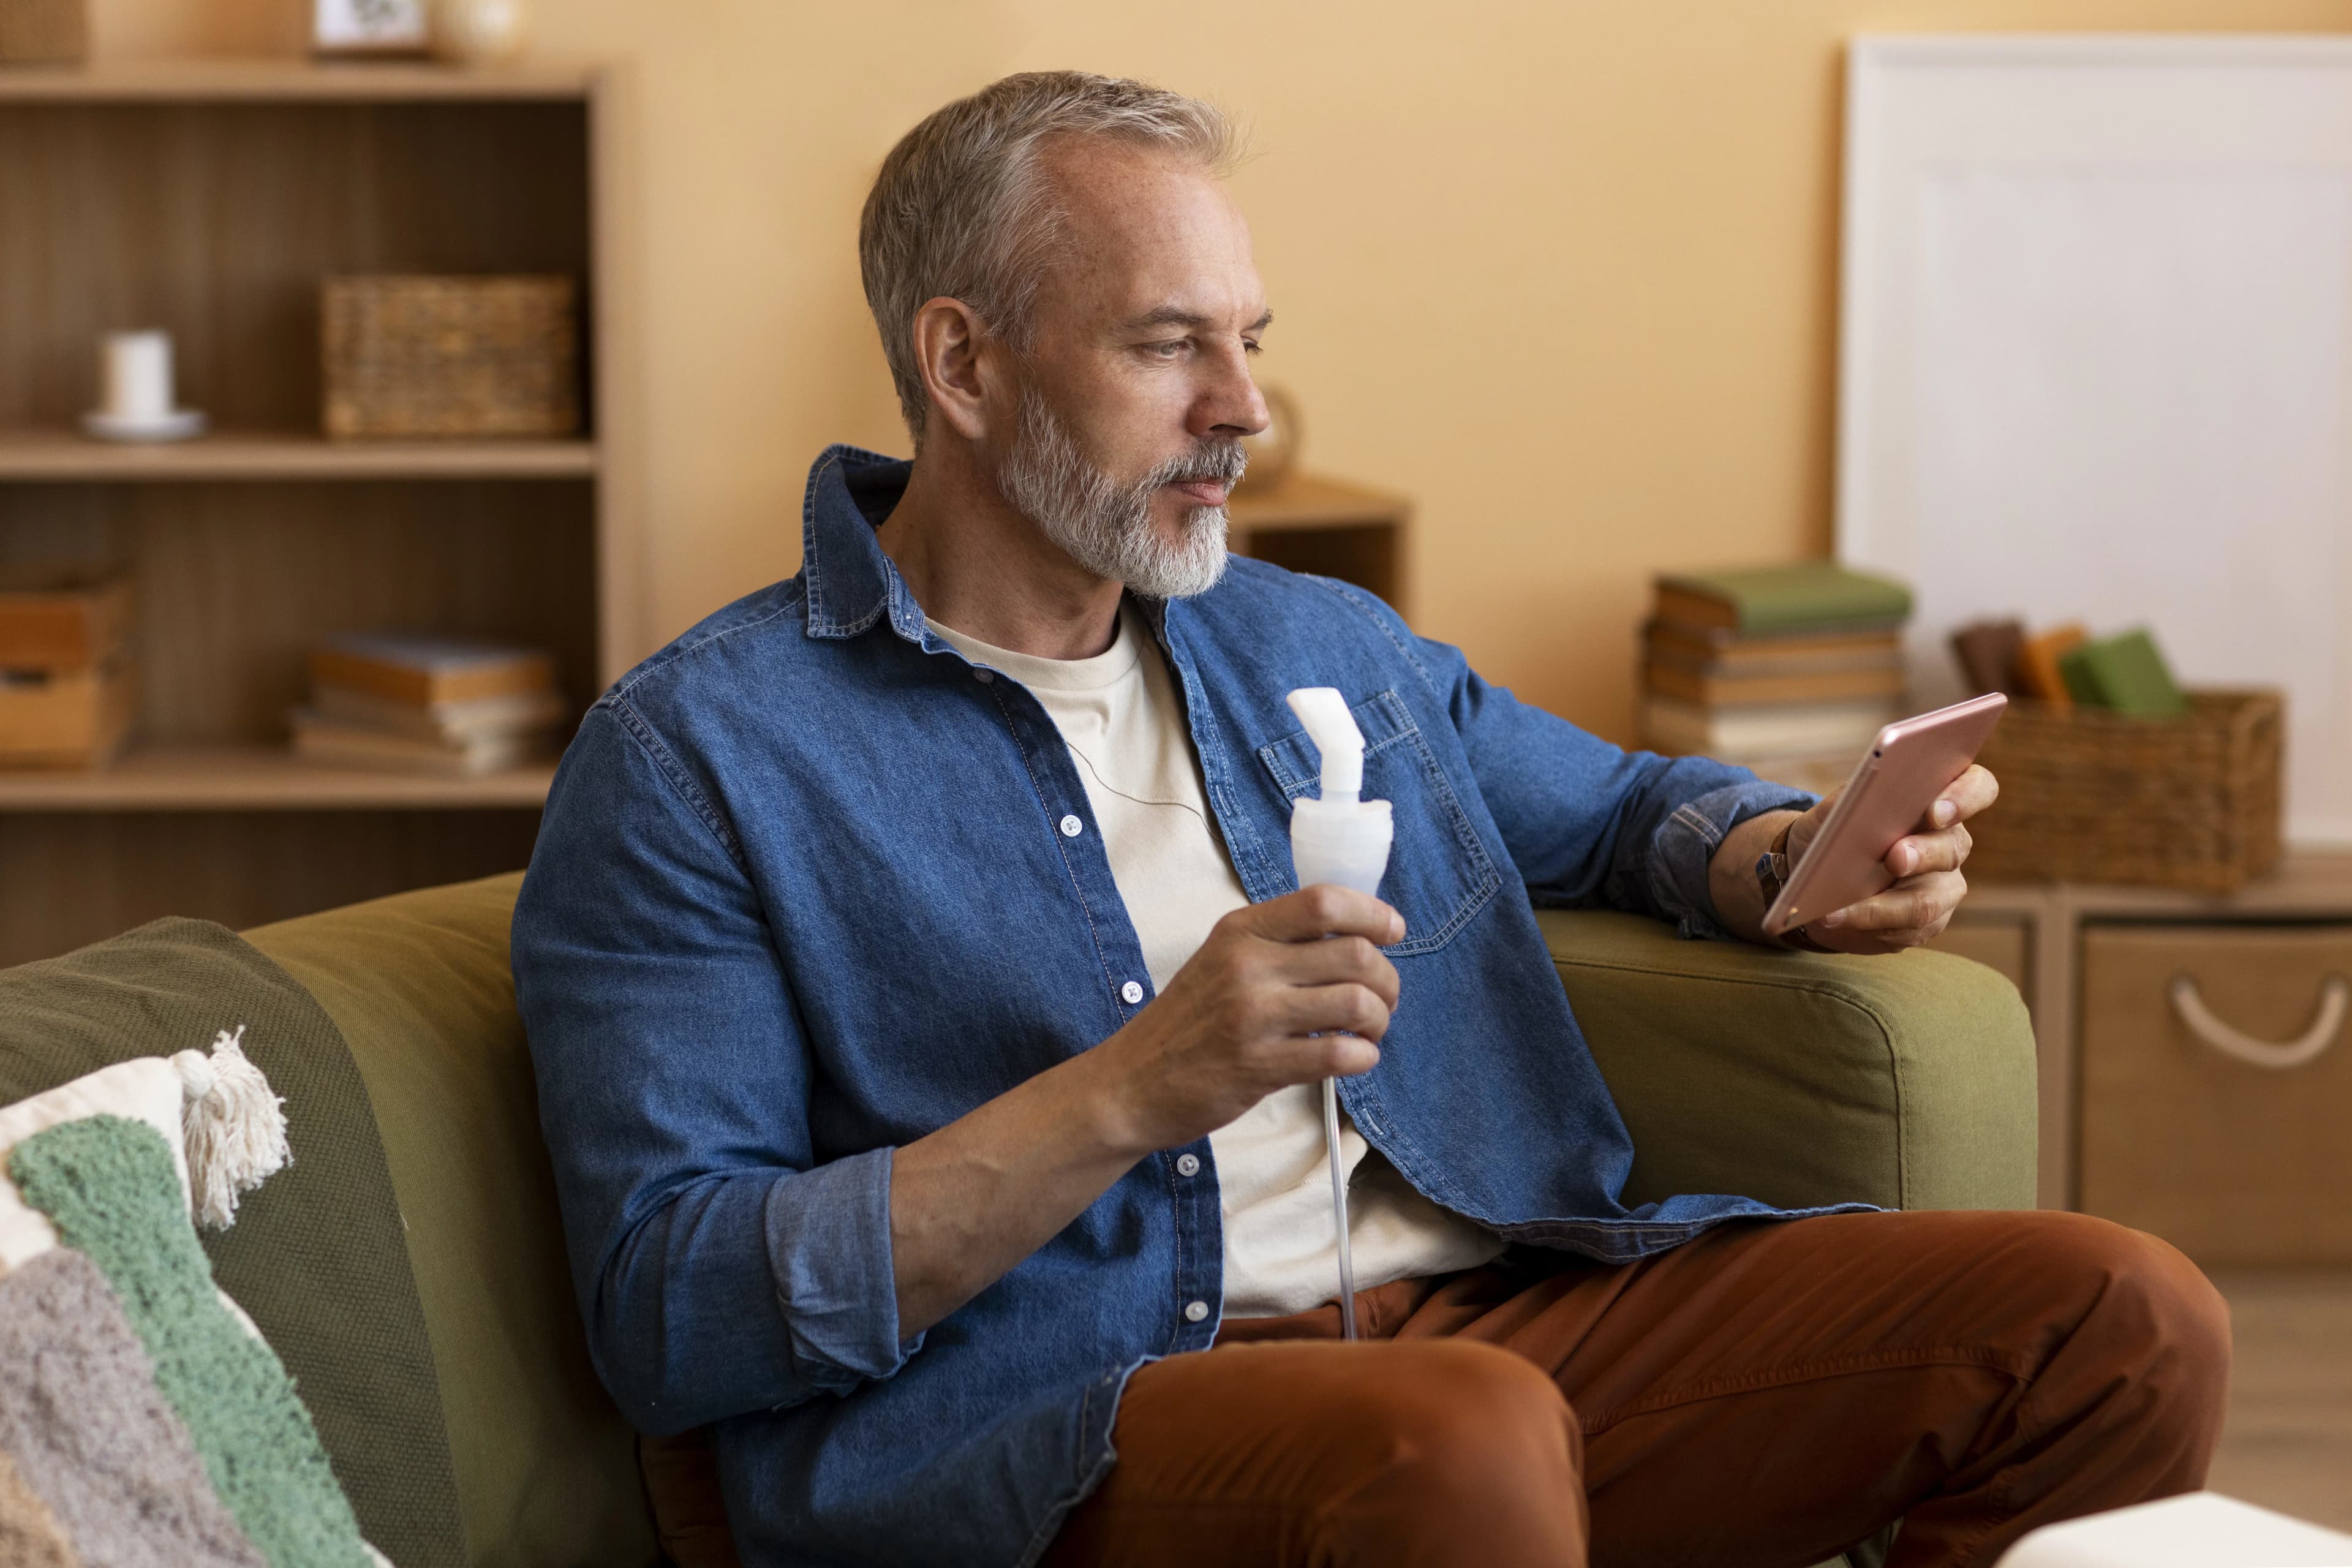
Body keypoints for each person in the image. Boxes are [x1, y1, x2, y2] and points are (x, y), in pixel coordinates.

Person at [511, 70, 2228, 1568]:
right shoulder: (697, 759)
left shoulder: (1316, 642)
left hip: (1503, 1335)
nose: (1242, 409)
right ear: (962, 363)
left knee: (2123, 1322)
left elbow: (1627, 812)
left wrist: (1783, 856)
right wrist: (1132, 1091)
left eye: (1248, 342)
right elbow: (678, 1308)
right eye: (1167, 344)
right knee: (1458, 1443)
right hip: (1070, 1419)